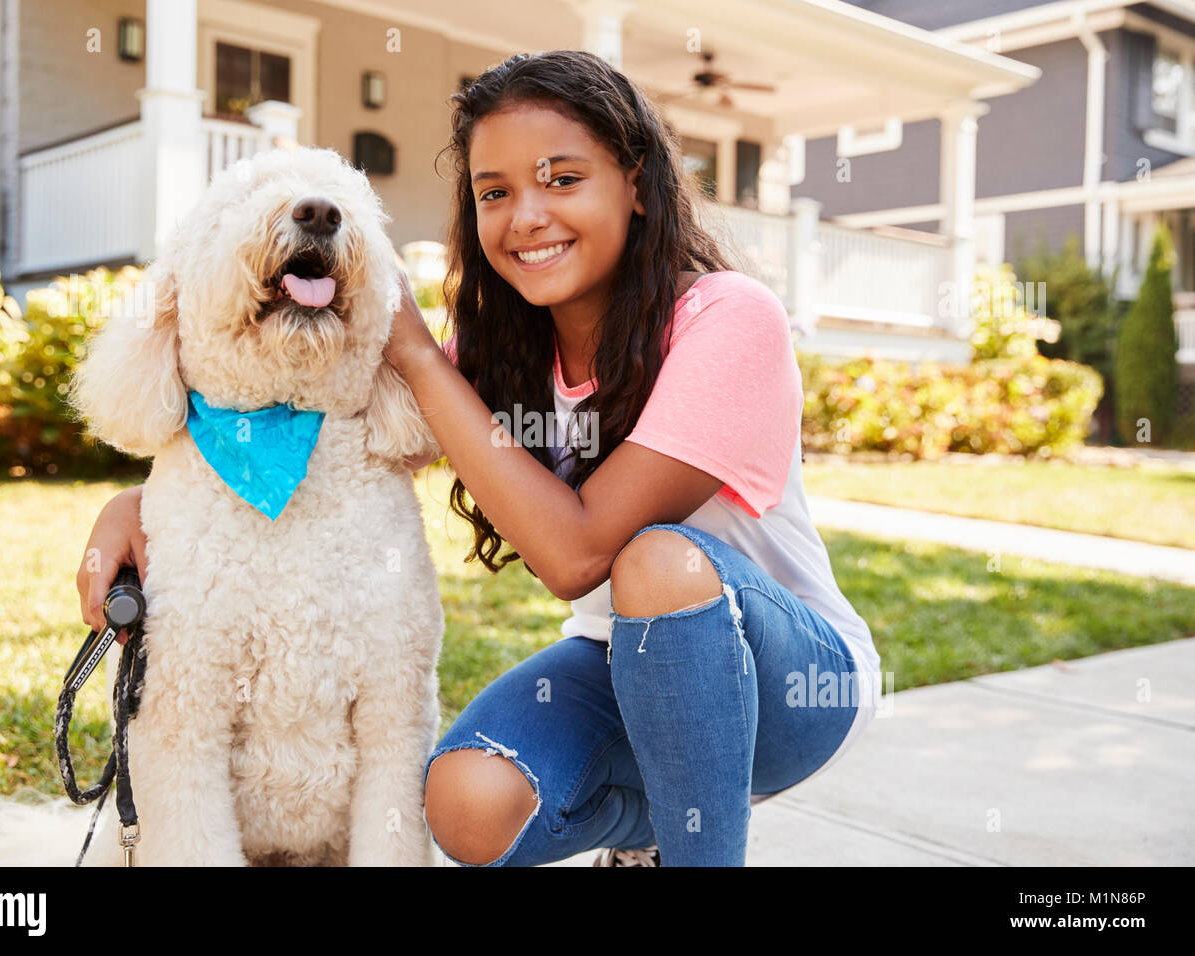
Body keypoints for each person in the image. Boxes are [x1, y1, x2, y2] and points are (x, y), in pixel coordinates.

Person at [76, 49, 881, 868]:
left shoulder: (728, 317)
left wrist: (423, 360)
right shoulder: (500, 353)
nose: (526, 216)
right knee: (466, 804)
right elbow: (334, 439)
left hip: (789, 686)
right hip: (622, 672)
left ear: (636, 183)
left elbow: (579, 553)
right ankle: (643, 834)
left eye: (562, 179)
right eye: (495, 193)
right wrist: (133, 509)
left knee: (657, 563)